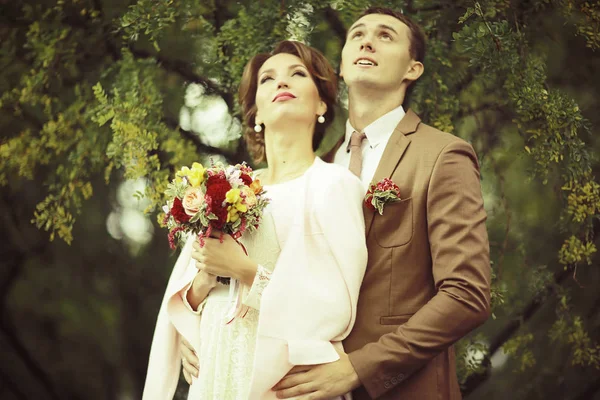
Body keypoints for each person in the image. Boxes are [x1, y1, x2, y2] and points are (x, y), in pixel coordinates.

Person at [181, 7, 492, 399]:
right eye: (357, 34)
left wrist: (358, 367)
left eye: (385, 36)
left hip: (407, 388)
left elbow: (466, 296)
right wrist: (199, 338)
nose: (367, 40)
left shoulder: (442, 154)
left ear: (412, 69)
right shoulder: (318, 171)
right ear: (341, 68)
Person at [142, 40, 368, 400]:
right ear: (256, 113)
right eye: (268, 79)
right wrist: (199, 296)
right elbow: (186, 299)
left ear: (322, 103)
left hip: (284, 383)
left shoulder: (335, 185)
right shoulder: (222, 186)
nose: (282, 83)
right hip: (215, 371)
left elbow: (334, 311)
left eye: (297, 74)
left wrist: (246, 271)